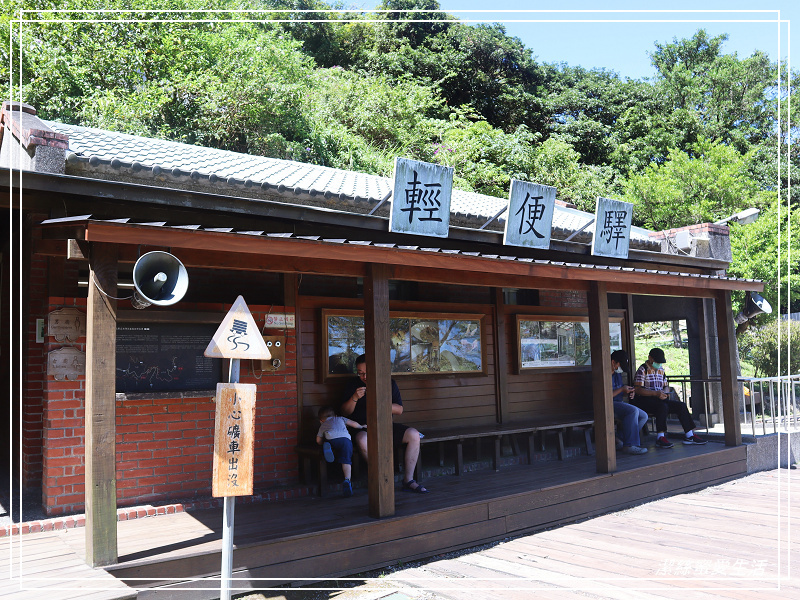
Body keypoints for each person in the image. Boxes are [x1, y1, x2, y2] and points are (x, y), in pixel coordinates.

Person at [340, 354, 429, 493]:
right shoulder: (353, 384)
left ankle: (408, 480)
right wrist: (354, 397)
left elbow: (399, 410)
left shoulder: (388, 383)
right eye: (360, 373)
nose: (364, 376)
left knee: (414, 434)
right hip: (361, 427)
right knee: (363, 439)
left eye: (367, 372)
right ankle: (381, 476)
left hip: (385, 426)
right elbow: (345, 412)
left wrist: (380, 400)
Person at [630, 348, 706, 448]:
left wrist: (665, 392)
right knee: (662, 407)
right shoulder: (642, 369)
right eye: (657, 361)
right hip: (645, 400)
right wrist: (655, 393)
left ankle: (689, 435)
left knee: (681, 406)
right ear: (650, 358)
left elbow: (666, 386)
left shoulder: (661, 370)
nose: (659, 364)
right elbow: (638, 389)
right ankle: (660, 437)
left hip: (659, 398)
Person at [316, 406, 364, 497]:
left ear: (321, 420)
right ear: (335, 415)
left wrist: (321, 443)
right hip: (345, 440)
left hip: (332, 439)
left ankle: (328, 445)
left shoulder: (323, 424)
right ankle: (347, 480)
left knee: (326, 438)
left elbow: (318, 440)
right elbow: (354, 424)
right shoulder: (340, 418)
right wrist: (361, 426)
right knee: (346, 461)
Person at [610, 350, 648, 455]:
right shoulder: (604, 375)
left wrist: (628, 392)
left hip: (619, 403)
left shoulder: (617, 374)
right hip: (608, 405)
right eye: (619, 365)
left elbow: (619, 391)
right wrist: (622, 389)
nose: (620, 368)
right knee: (633, 411)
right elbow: (605, 396)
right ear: (613, 362)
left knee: (643, 416)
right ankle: (629, 445)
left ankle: (620, 440)